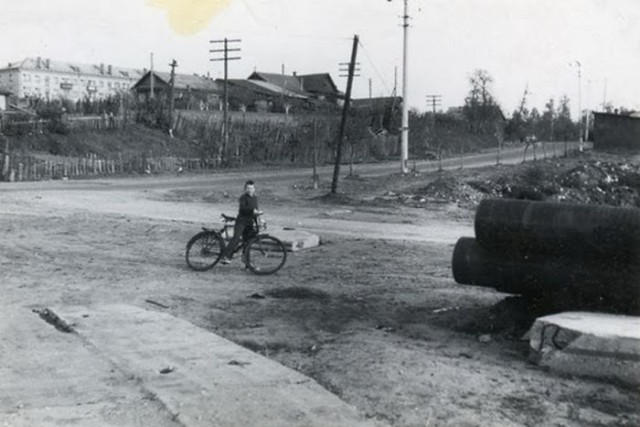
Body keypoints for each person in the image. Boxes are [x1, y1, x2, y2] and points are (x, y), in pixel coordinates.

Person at [221, 180, 262, 264]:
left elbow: (256, 209)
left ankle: (246, 261)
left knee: (248, 242)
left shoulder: (255, 198)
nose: (250, 190)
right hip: (241, 221)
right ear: (245, 189)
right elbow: (243, 208)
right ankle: (226, 256)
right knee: (236, 238)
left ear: (254, 189)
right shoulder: (243, 197)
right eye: (248, 188)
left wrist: (259, 217)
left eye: (251, 188)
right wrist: (252, 211)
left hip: (249, 222)